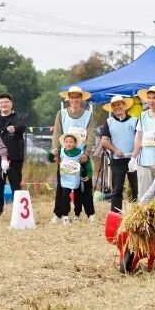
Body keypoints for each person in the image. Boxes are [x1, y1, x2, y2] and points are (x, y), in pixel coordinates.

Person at [52, 86, 95, 221]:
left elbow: (90, 135)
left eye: (77, 97)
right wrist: (56, 152)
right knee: (62, 187)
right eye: (72, 97)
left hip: (81, 156)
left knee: (84, 186)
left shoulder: (88, 115)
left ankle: (90, 214)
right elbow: (57, 133)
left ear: (81, 99)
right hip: (65, 156)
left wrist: (86, 154)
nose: (74, 100)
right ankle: (58, 214)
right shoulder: (61, 113)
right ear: (68, 99)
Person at [99, 95, 139, 213]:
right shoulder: (108, 122)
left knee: (136, 188)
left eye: (119, 104)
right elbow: (104, 141)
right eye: (114, 105)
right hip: (117, 160)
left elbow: (139, 138)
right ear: (111, 108)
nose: (117, 107)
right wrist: (115, 150)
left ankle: (136, 214)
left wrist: (135, 154)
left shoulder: (135, 120)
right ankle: (115, 215)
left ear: (125, 105)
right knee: (117, 190)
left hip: (134, 160)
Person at [0, 93, 27, 216]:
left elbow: (22, 126)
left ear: (11, 104)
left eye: (6, 102)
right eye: (1, 102)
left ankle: (19, 211)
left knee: (15, 185)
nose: (4, 104)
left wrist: (15, 128)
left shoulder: (18, 117)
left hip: (14, 158)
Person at [52, 133, 93, 224]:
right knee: (64, 196)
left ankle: (77, 215)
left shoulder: (79, 153)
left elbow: (87, 163)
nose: (68, 144)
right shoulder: (61, 151)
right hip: (65, 179)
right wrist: (51, 153)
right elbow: (51, 158)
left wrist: (89, 174)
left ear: (75, 143)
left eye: (71, 142)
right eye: (66, 142)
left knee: (78, 198)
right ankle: (65, 216)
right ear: (64, 143)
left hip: (76, 178)